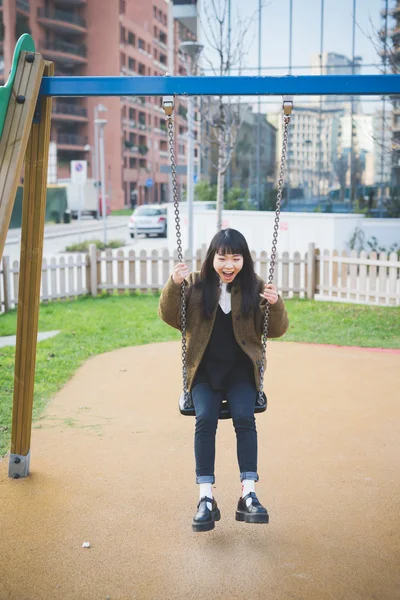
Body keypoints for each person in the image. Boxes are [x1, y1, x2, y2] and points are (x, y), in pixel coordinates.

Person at [158, 228, 289, 532]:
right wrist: (173, 285)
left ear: (244, 260)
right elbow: (169, 316)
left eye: (235, 258)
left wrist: (276, 302)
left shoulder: (255, 286)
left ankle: (249, 495)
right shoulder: (194, 284)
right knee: (204, 419)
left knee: (245, 417)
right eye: (222, 258)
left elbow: (278, 329)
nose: (229, 265)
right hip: (204, 372)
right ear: (212, 258)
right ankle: (206, 498)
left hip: (241, 373)